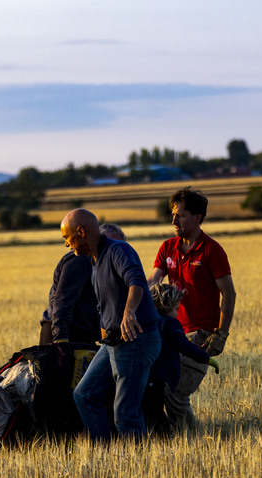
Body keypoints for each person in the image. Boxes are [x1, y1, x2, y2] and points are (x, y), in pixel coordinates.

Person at [63, 209, 161, 442]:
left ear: (81, 232)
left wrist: (129, 313)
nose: (67, 244)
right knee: (85, 395)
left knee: (126, 414)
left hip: (136, 339)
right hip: (113, 342)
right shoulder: (95, 261)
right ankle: (103, 456)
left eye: (67, 238)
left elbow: (136, 280)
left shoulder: (118, 250)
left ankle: (139, 467)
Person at [148, 186, 236, 428]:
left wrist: (222, 333)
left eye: (181, 215)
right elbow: (154, 281)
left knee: (175, 391)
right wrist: (129, 290)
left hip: (201, 333)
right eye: (173, 215)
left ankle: (187, 440)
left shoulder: (212, 250)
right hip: (170, 332)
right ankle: (184, 439)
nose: (174, 220)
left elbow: (228, 293)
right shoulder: (168, 247)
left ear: (197, 218)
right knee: (159, 388)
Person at [144, 283, 219, 436]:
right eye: (176, 310)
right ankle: (172, 437)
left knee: (149, 411)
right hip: (163, 377)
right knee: (163, 412)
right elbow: (185, 346)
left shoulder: (148, 323)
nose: (178, 315)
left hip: (146, 377)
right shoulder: (171, 324)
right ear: (166, 306)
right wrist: (207, 359)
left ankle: (158, 436)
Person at [39, 223, 126, 345]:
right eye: (108, 242)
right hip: (64, 334)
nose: (112, 248)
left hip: (82, 333)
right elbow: (62, 300)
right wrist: (61, 339)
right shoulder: (81, 259)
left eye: (118, 245)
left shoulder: (108, 265)